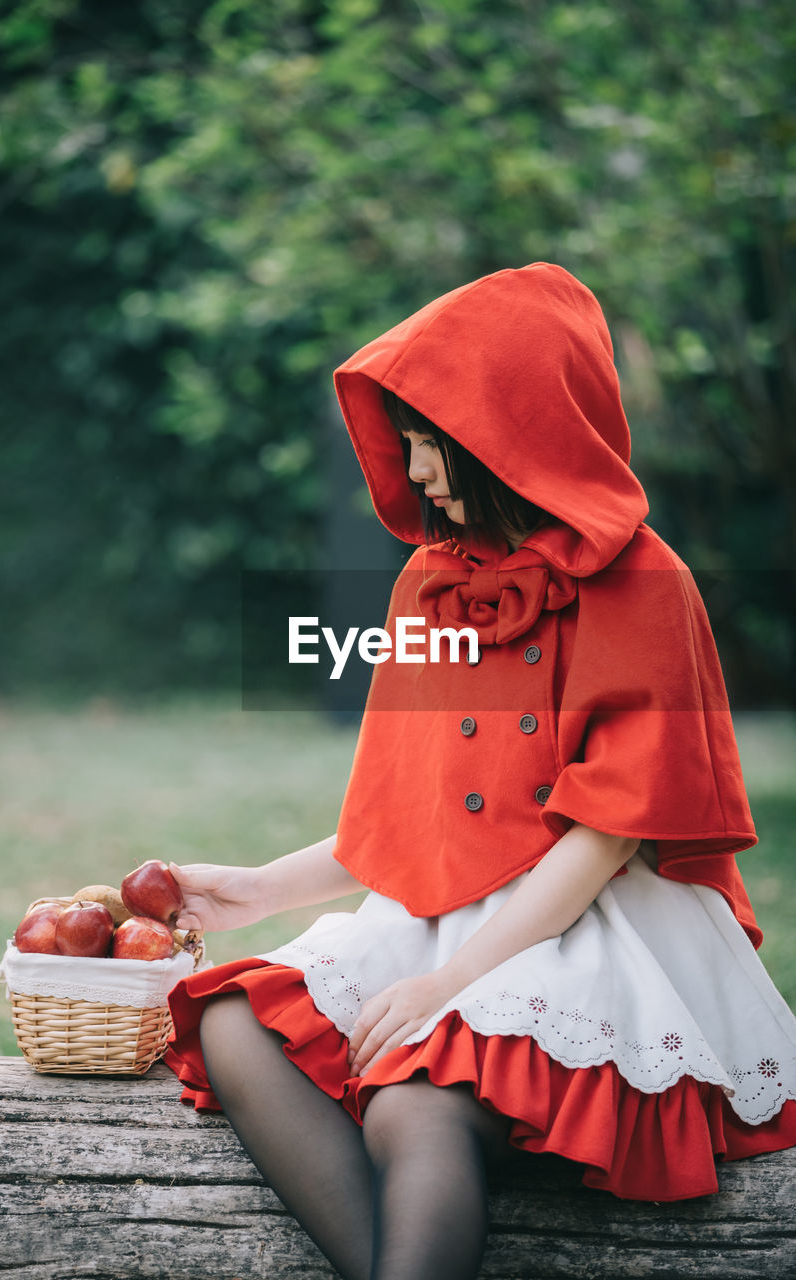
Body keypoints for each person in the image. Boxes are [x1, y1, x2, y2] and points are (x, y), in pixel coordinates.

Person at [164, 263, 796, 1280]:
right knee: (236, 1023)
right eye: (407, 442)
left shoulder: (645, 584)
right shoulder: (428, 582)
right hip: (439, 911)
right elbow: (420, 813)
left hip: (585, 920)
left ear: (513, 435)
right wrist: (257, 889)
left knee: (416, 1100)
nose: (413, 471)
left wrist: (453, 981)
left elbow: (604, 835)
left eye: (430, 443)